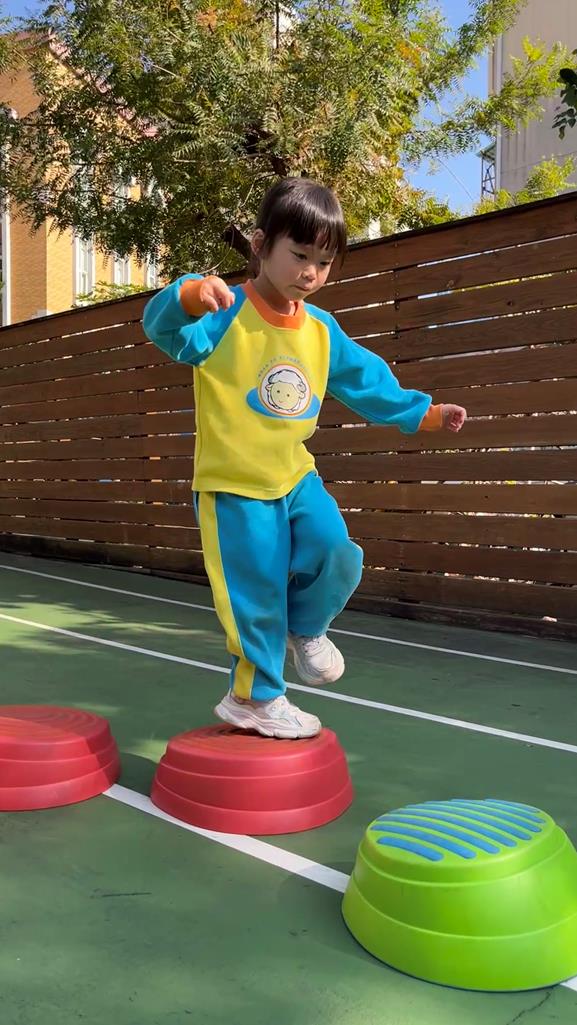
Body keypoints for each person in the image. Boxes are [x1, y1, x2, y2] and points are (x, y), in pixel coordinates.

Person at [143, 177, 467, 740]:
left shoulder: (320, 330)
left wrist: (425, 413)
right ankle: (255, 697)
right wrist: (189, 295)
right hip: (234, 487)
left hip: (295, 476)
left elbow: (366, 381)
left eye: (324, 262)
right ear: (260, 244)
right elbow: (161, 327)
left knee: (338, 553)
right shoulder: (225, 315)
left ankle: (307, 627)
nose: (311, 273)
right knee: (256, 594)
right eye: (299, 256)